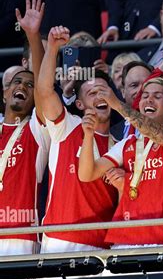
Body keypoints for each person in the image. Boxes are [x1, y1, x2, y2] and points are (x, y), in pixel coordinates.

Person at [78, 75, 163, 248]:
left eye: (157, 96)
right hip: (124, 238)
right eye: (145, 96)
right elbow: (87, 174)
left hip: (161, 239)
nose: (149, 100)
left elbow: (160, 135)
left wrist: (117, 104)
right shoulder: (128, 143)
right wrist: (88, 135)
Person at [37, 25, 119, 253]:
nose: (100, 96)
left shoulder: (119, 145)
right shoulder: (67, 125)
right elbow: (44, 92)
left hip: (101, 247)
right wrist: (53, 48)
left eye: (104, 92)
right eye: (92, 93)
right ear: (80, 104)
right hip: (58, 240)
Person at [0, 0, 51, 256]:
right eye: (17, 82)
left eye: (30, 86)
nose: (22, 86)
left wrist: (33, 36)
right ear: (5, 93)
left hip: (19, 237)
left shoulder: (37, 131)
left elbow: (45, 89)